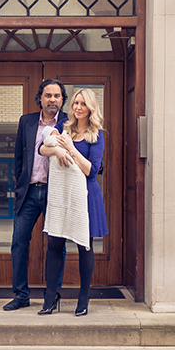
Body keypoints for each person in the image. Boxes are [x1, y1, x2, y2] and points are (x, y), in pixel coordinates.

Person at [37, 87, 108, 316]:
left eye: (83, 104)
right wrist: (57, 151)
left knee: (84, 247)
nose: (78, 107)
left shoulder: (96, 135)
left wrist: (70, 149)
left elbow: (91, 170)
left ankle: (84, 298)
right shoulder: (63, 126)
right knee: (55, 244)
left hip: (86, 195)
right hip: (62, 193)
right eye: (76, 103)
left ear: (90, 108)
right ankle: (50, 298)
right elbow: (42, 149)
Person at [2, 79, 68, 311]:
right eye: (48, 95)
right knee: (18, 243)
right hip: (29, 192)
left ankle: (52, 296)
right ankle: (21, 295)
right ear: (40, 97)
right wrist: (19, 184)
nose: (52, 99)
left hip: (56, 193)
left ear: (62, 99)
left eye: (57, 96)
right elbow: (18, 157)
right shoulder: (26, 122)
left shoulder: (69, 123)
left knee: (56, 244)